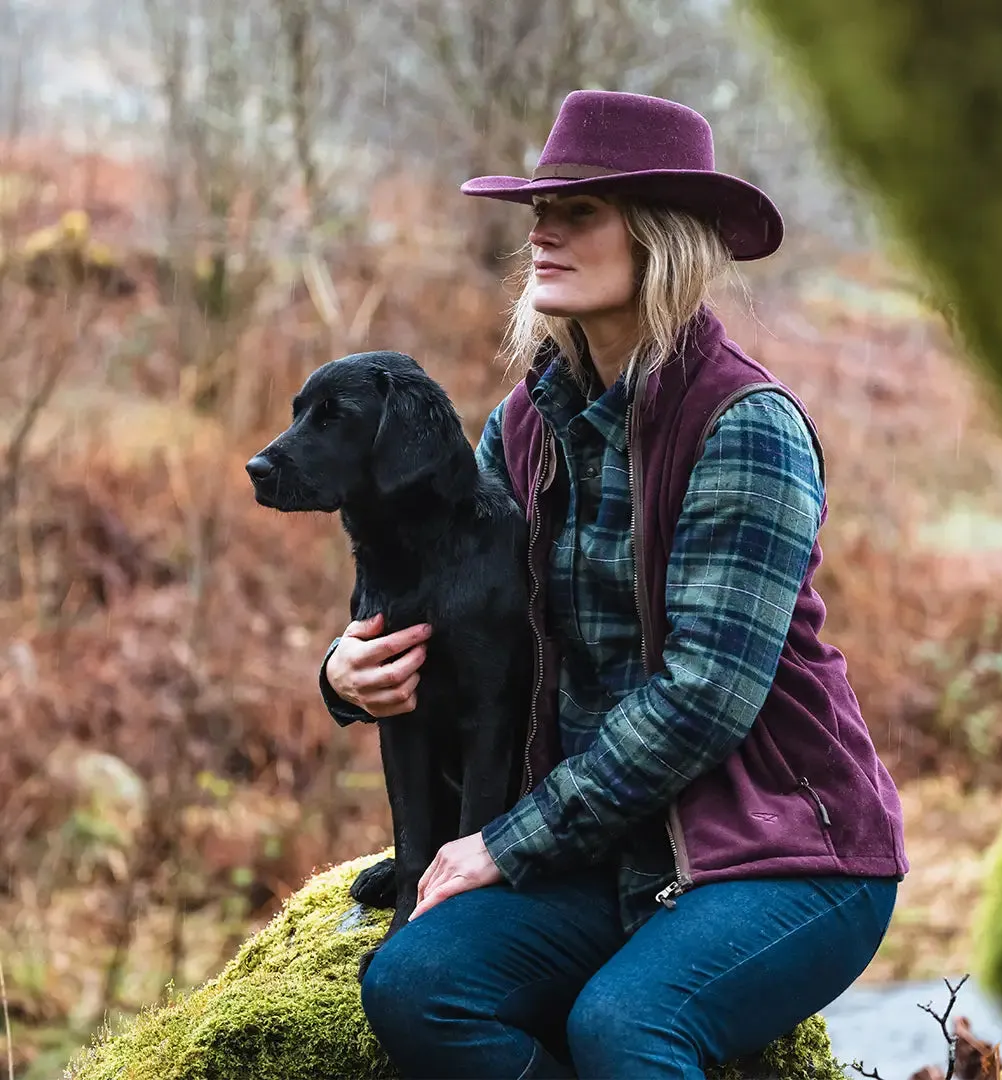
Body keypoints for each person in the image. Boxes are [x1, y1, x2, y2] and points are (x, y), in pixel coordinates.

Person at [320, 89, 908, 1079]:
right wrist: (346, 671)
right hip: (607, 846)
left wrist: (506, 844)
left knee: (627, 1027)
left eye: (577, 211)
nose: (540, 232)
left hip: (780, 848)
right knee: (416, 988)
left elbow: (704, 697)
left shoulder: (744, 427)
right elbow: (448, 608)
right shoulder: (522, 425)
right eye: (538, 211)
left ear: (661, 239)